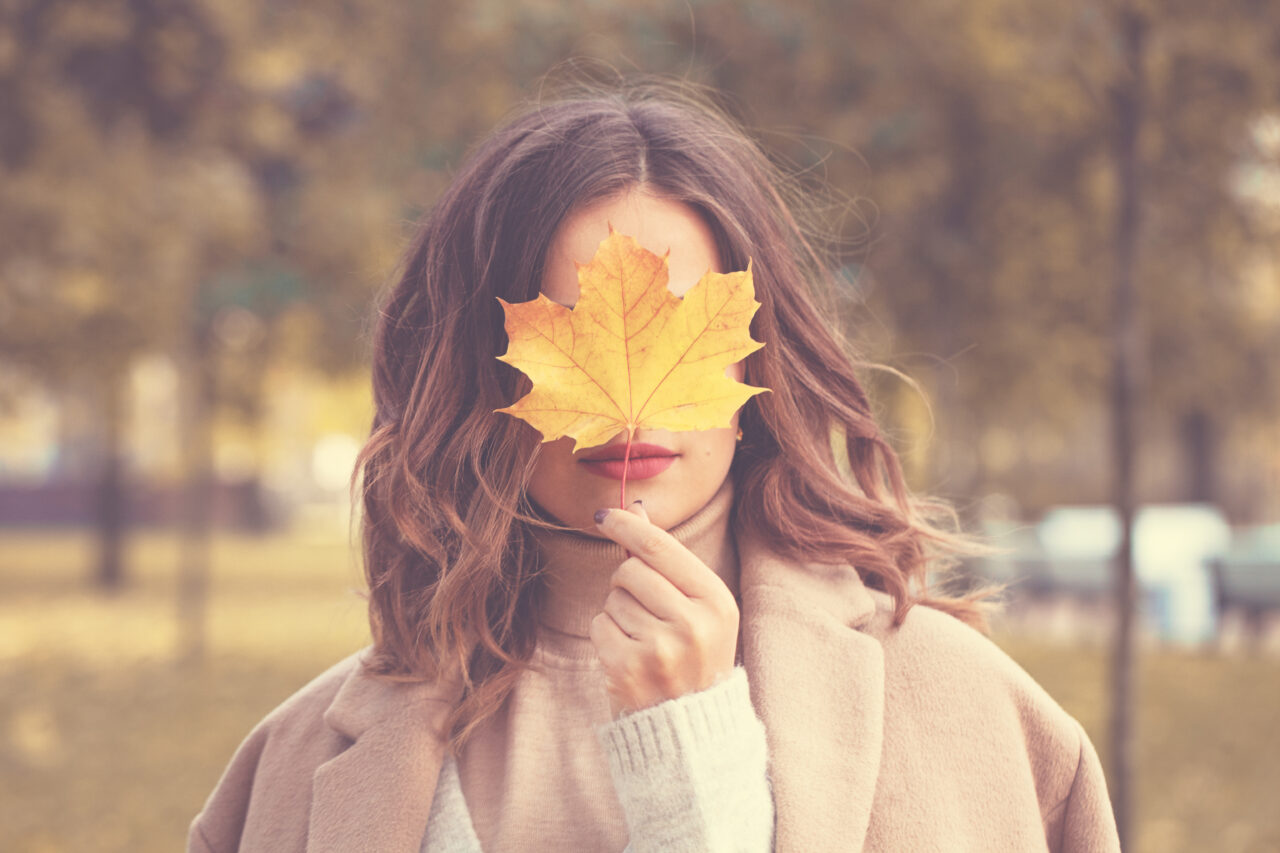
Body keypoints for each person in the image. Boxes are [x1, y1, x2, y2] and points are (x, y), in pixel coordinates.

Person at [188, 77, 1122, 853]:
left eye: (682, 327)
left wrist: (690, 763)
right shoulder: (290, 766)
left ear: (759, 354)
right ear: (479, 368)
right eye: (565, 335)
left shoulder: (975, 716)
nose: (623, 393)